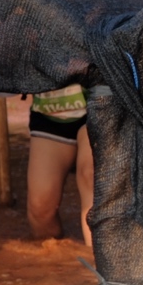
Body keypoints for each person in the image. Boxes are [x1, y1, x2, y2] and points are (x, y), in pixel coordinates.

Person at [25, 85, 92, 245]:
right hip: (50, 111)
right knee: (40, 208)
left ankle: (99, 256)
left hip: (100, 102)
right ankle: (57, 257)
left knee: (90, 175)